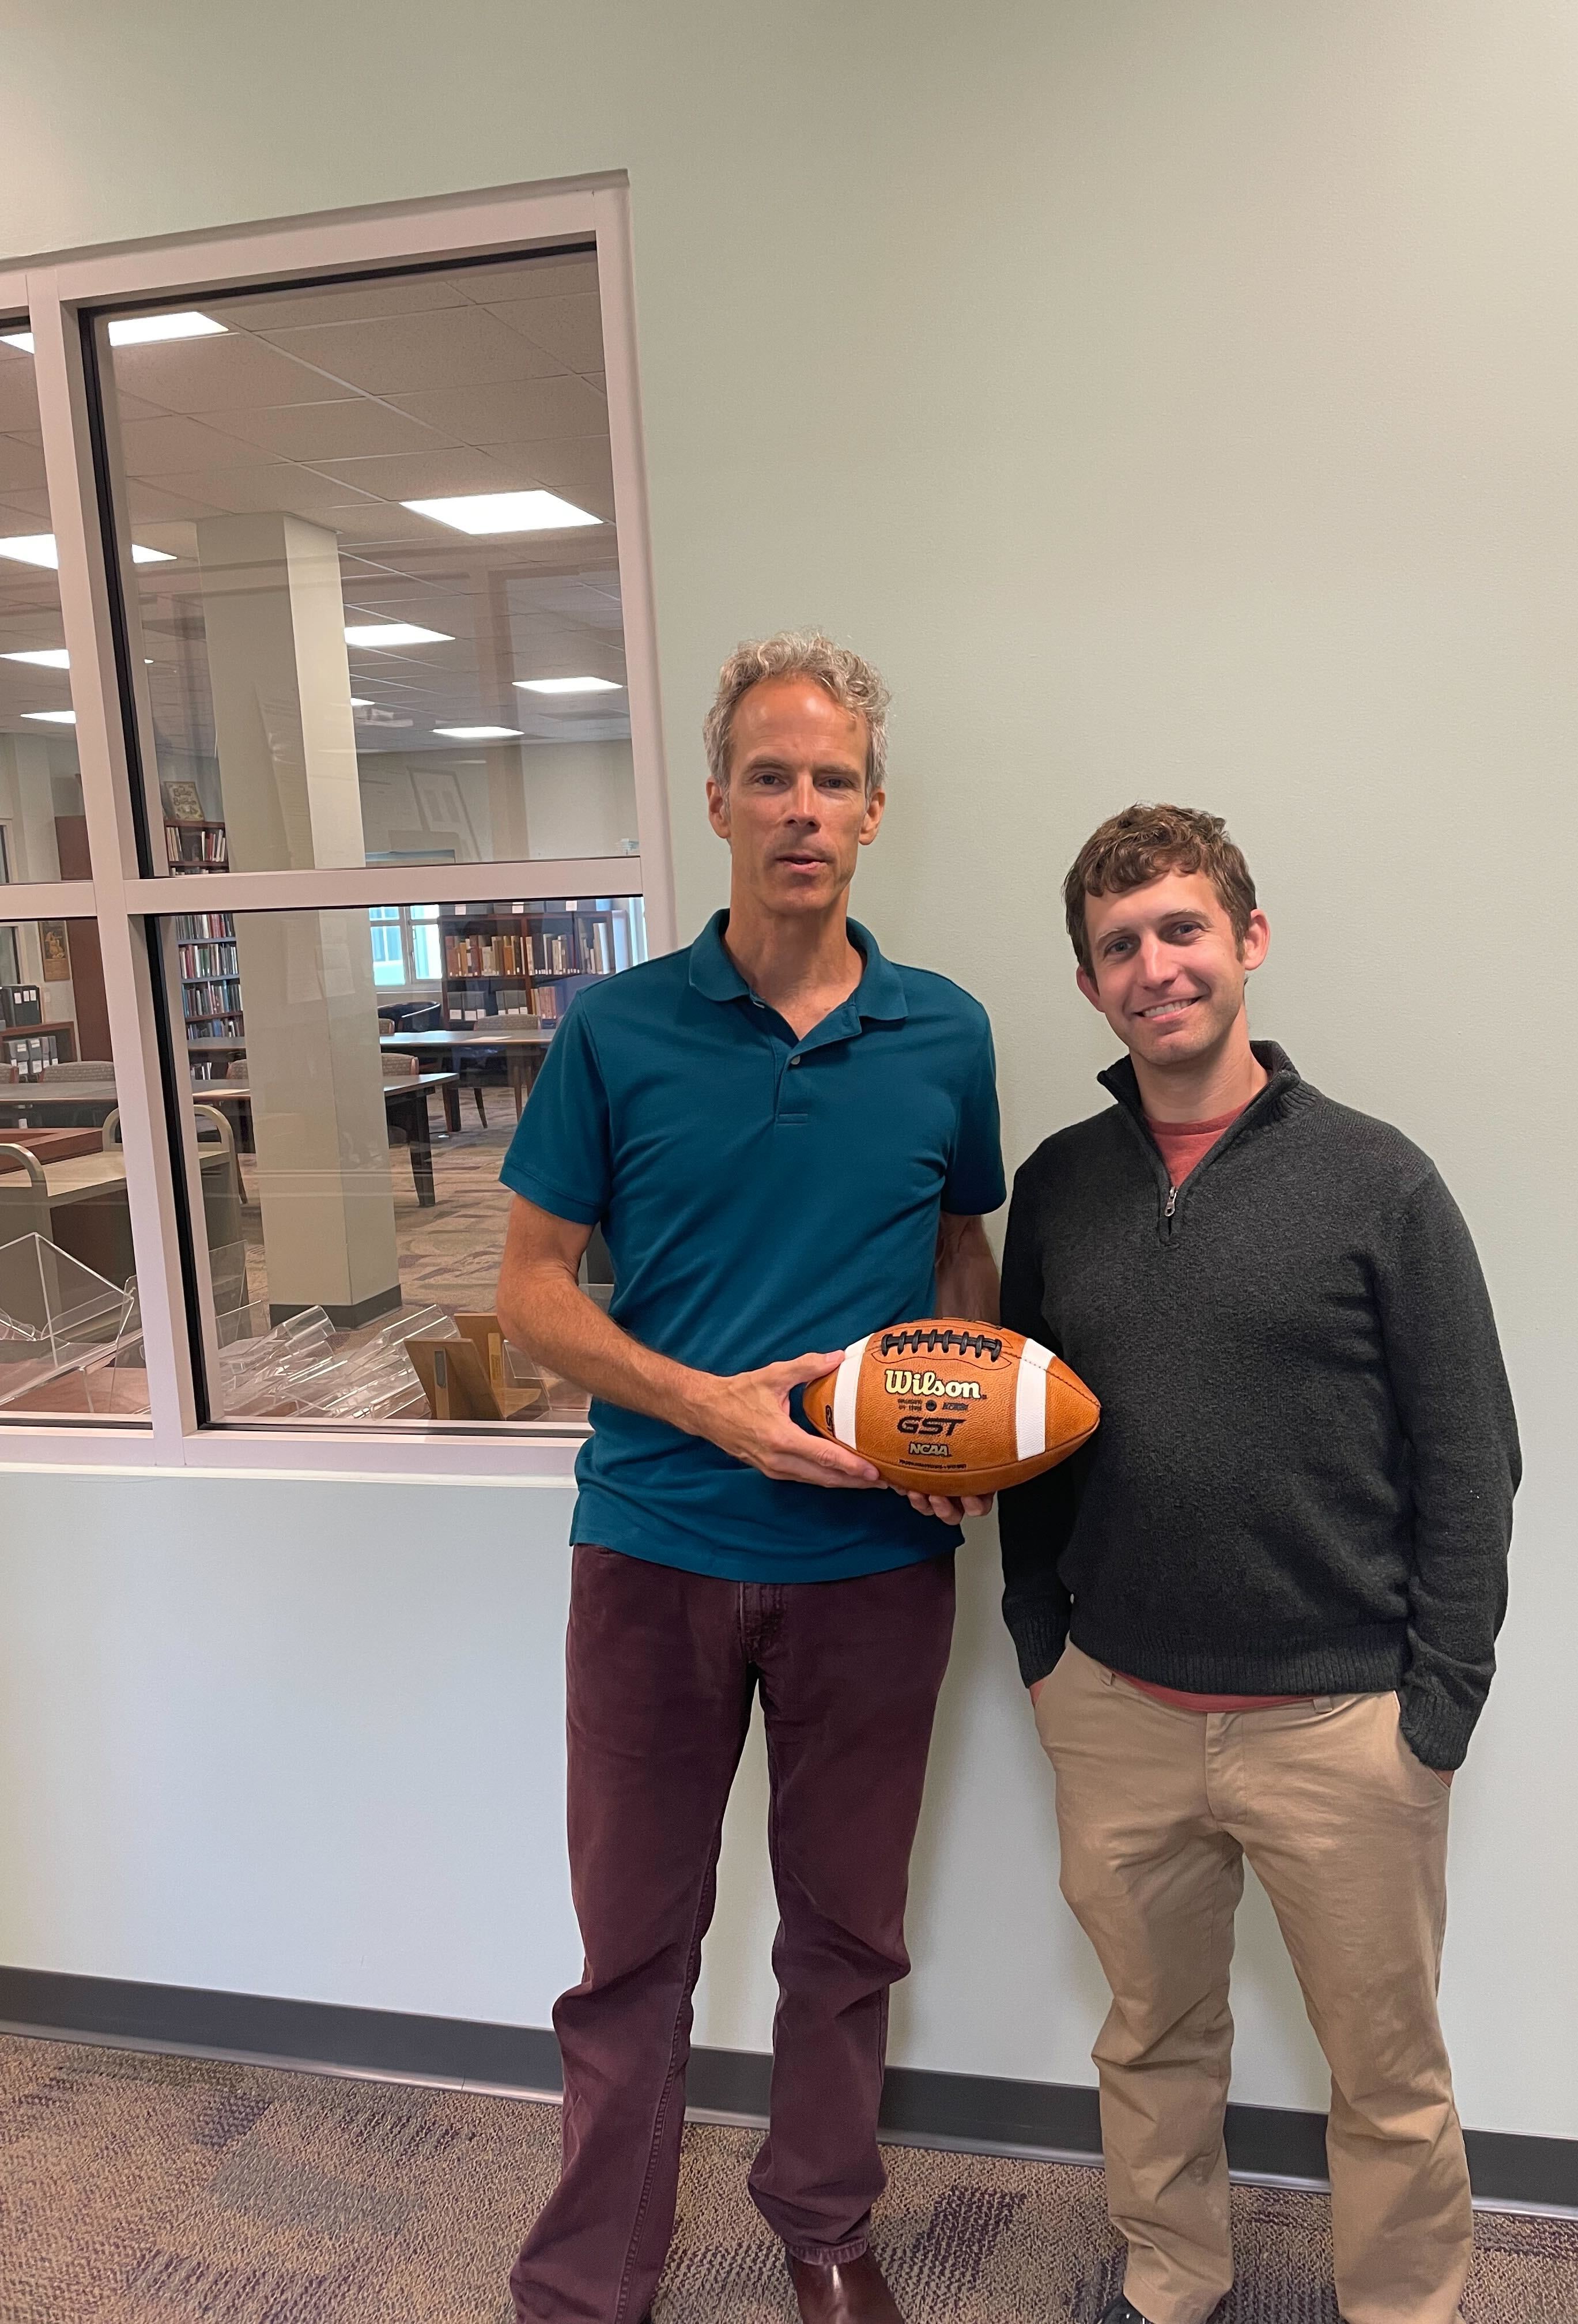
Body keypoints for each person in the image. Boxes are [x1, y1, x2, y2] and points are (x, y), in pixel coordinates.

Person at [496, 632, 1003, 2324]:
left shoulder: (945, 1034)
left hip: (875, 1571)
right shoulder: (619, 1031)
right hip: (653, 1549)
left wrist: (956, 1430)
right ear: (716, 802)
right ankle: (592, 2278)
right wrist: (705, 1408)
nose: (804, 807)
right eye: (772, 776)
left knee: (846, 1940)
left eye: (834, 779)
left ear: (875, 812)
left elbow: (960, 1252)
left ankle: (827, 2226)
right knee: (633, 1952)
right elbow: (530, 1293)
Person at [999, 803, 1520, 2324]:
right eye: (1119, 946)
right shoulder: (1061, 1184)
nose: (1155, 967)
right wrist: (1042, 1640)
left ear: (1247, 943)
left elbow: (1471, 1462)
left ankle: (1404, 2308)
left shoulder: (1380, 1184)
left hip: (1337, 1725)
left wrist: (1436, 1713)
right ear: (1092, 985)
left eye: (1181, 930)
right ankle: (1171, 2283)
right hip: (1121, 1712)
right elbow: (1020, 1434)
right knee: (1150, 2043)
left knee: (1388, 2076)